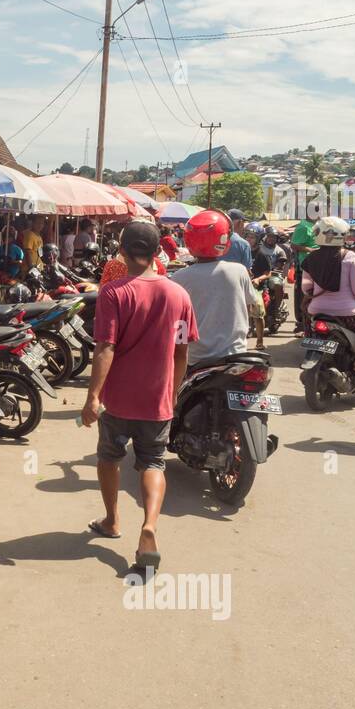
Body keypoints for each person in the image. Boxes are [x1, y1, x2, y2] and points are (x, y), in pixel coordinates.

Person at [82, 221, 197, 577]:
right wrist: (173, 391)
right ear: (157, 251)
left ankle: (113, 520)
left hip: (118, 400)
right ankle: (149, 526)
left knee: (109, 458)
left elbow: (105, 347)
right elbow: (181, 352)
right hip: (156, 400)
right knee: (153, 462)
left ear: (122, 249)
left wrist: (92, 396)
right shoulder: (178, 295)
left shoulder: (113, 293)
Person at [301, 216, 355, 374]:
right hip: (348, 313)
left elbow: (306, 289)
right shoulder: (350, 256)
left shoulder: (309, 257)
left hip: (317, 311)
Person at [170, 210, 253, 365]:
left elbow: (176, 323)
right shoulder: (239, 270)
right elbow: (248, 308)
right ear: (224, 239)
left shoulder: (179, 277)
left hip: (195, 359)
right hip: (235, 355)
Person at [290, 212, 317, 334]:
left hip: (318, 265)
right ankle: (302, 324)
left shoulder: (316, 225)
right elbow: (294, 245)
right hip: (306, 267)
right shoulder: (303, 227)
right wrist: (310, 250)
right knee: (305, 296)